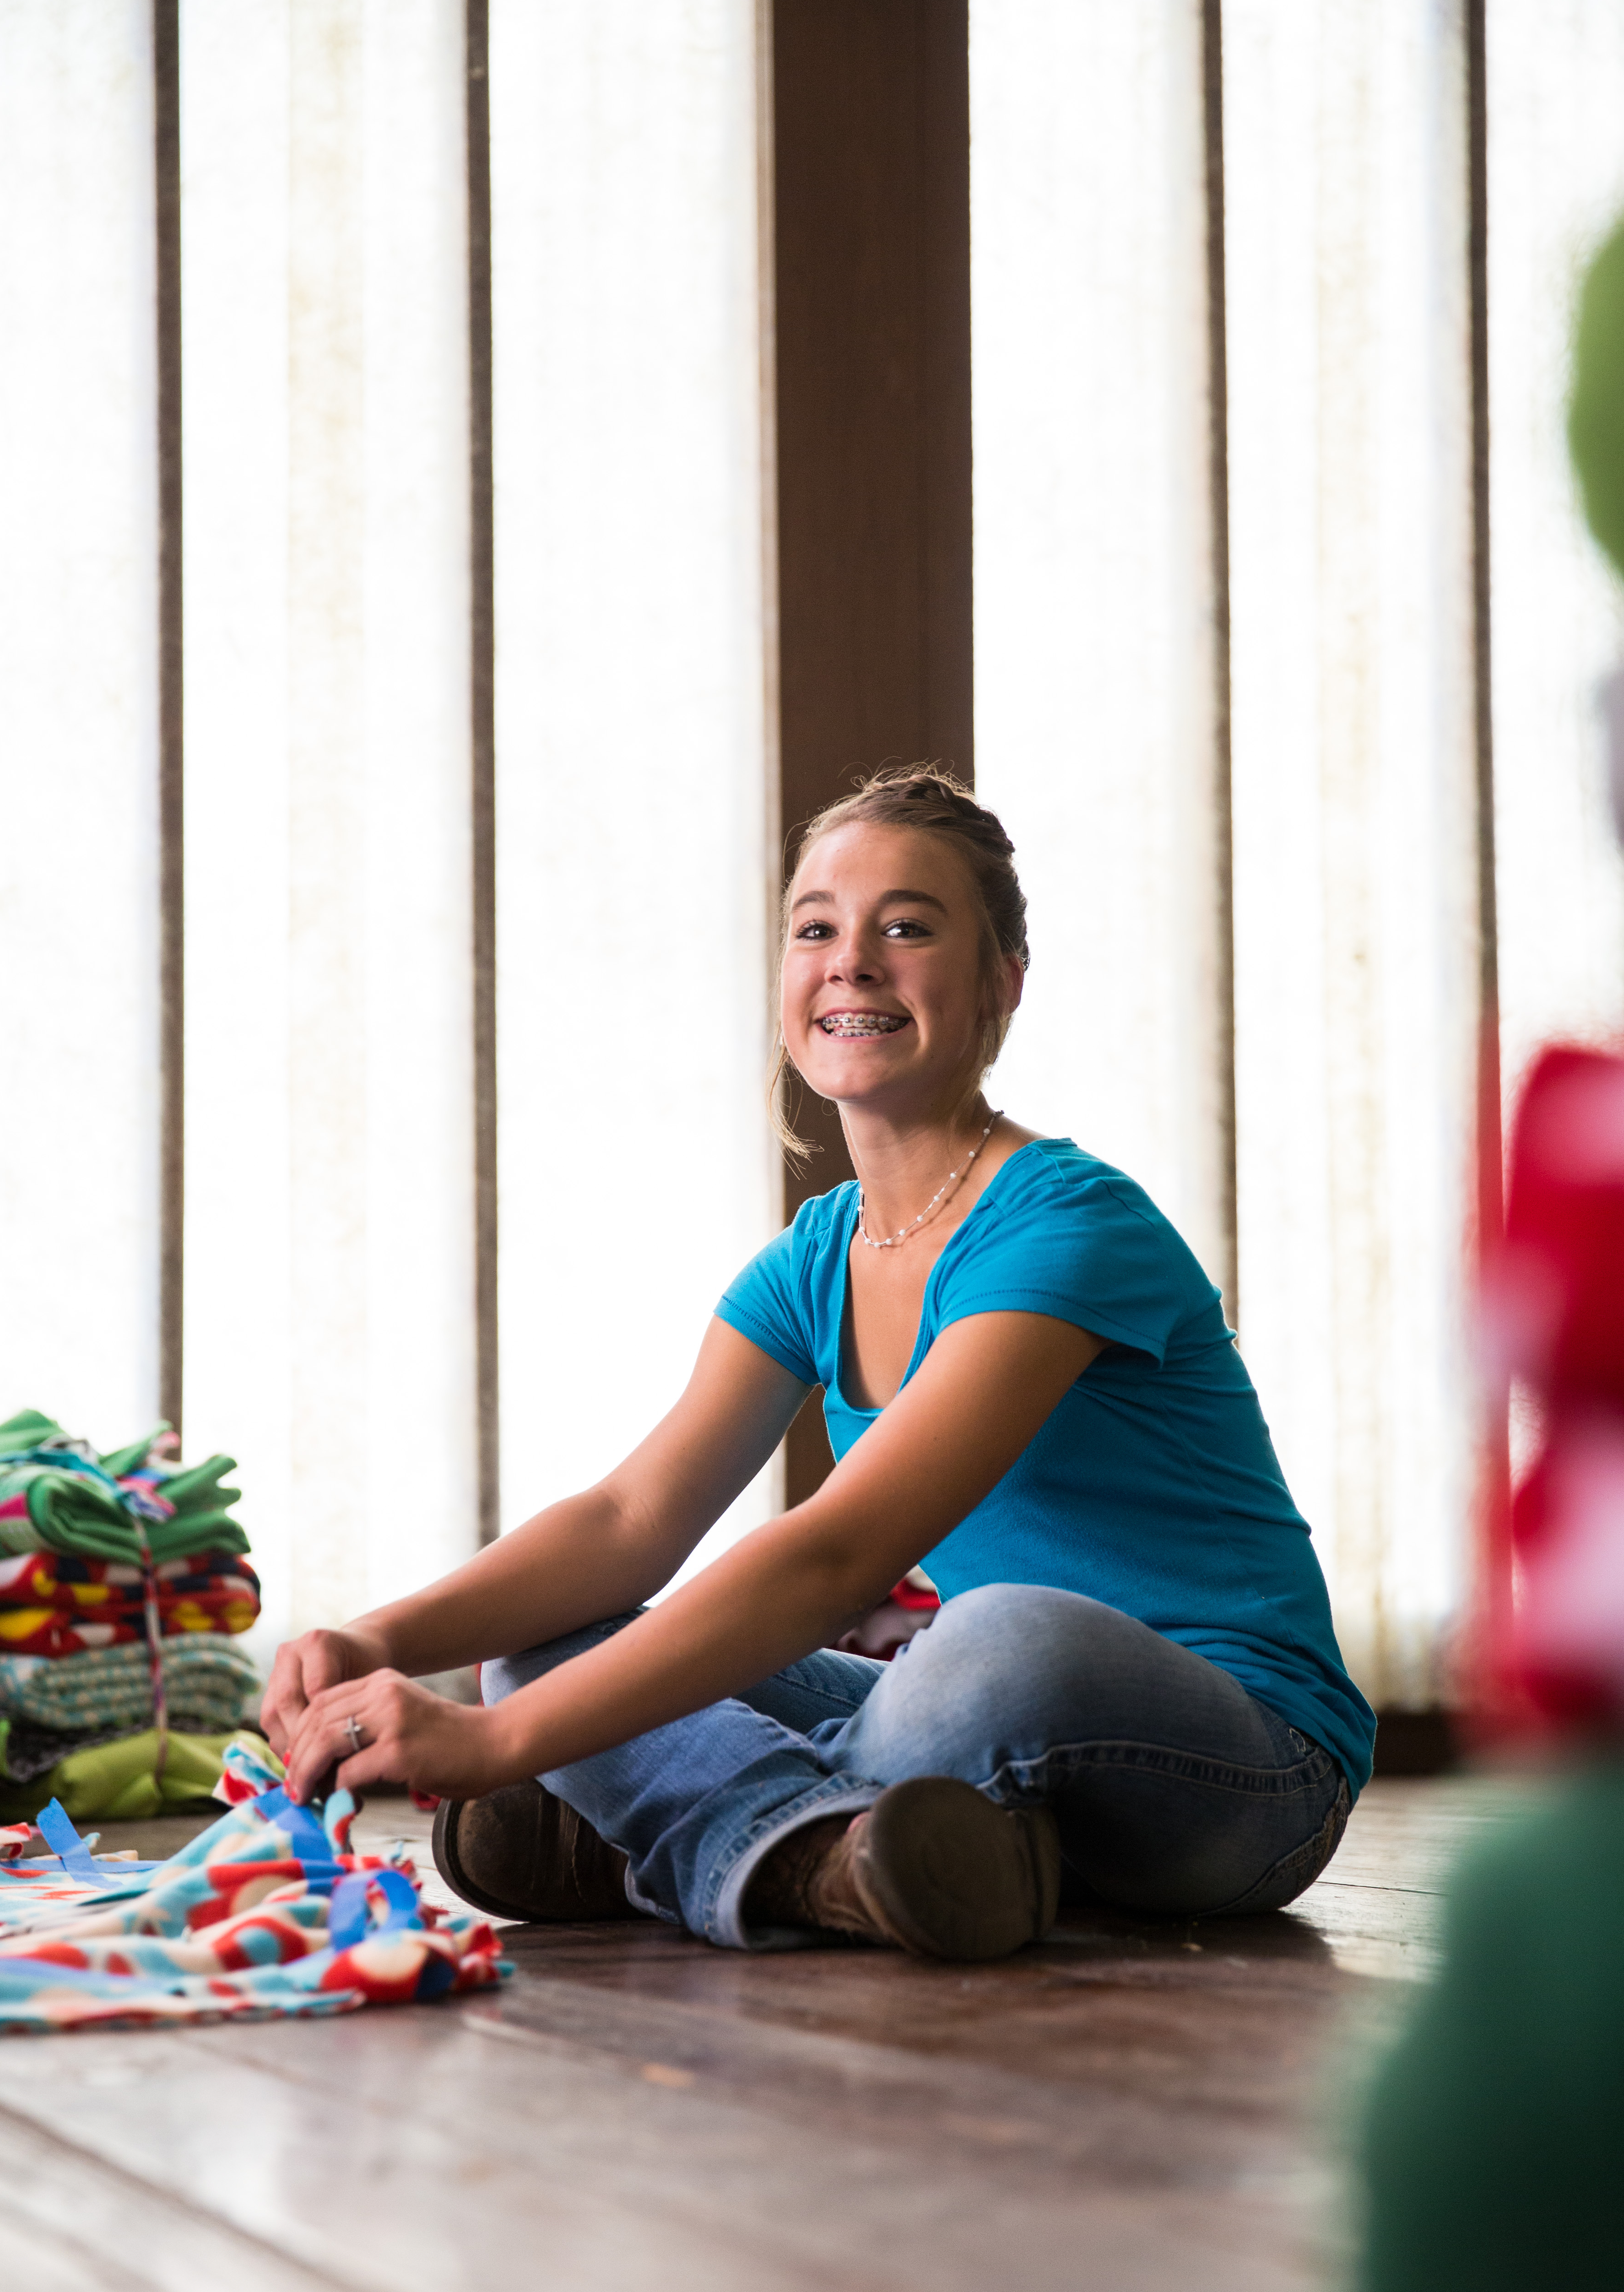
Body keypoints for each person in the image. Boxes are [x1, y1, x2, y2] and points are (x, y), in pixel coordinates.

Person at [266, 767, 1372, 1962]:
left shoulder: (1070, 1224)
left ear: (1003, 982)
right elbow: (628, 1519)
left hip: (1243, 1771)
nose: (851, 959)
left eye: (906, 925)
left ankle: (668, 1843)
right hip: (961, 1747)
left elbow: (842, 1552)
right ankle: (842, 1863)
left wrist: (498, 1752)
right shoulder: (814, 1259)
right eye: (816, 928)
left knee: (999, 1640)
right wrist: (375, 1642)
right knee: (546, 1649)